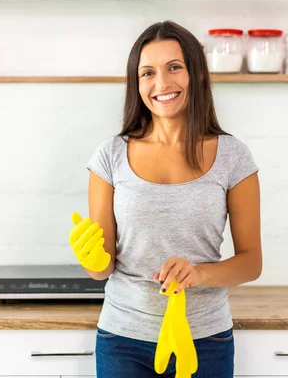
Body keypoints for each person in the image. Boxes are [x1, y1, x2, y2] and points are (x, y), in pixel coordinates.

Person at [70, 20, 262, 378]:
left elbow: (251, 263)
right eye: (147, 72)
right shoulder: (109, 156)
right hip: (123, 340)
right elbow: (101, 270)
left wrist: (200, 272)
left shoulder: (234, 156)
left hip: (206, 340)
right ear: (136, 82)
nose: (161, 83)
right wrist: (91, 258)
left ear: (198, 75)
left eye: (174, 67)